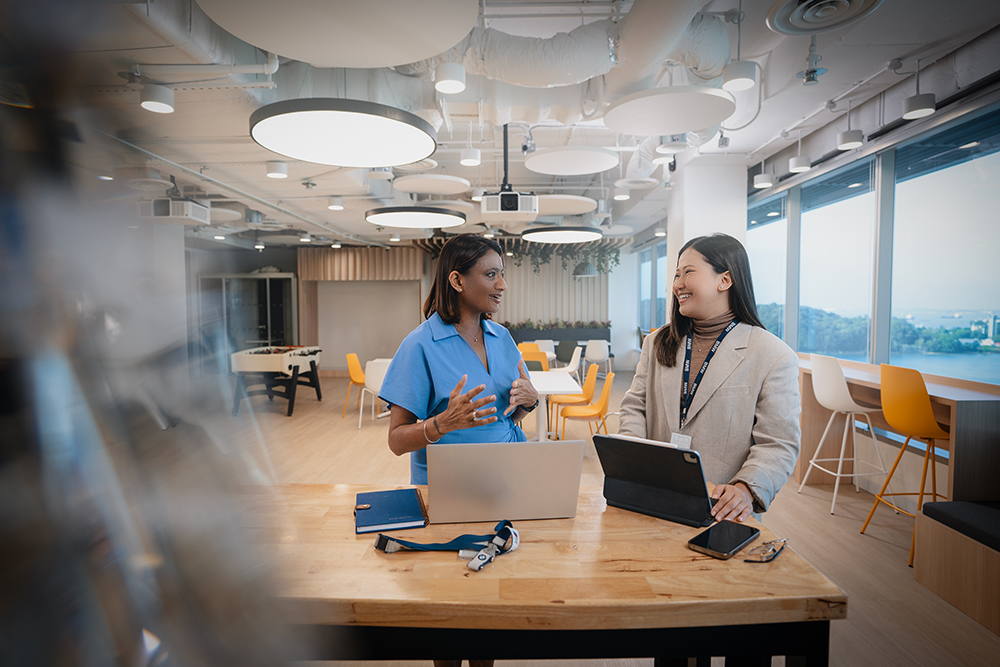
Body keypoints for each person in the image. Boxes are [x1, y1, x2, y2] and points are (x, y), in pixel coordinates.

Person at [619, 233, 800, 523]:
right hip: (651, 497)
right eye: (676, 274)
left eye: (688, 272)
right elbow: (635, 406)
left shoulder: (773, 355)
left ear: (724, 280)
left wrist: (745, 490)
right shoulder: (658, 343)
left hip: (719, 512)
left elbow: (778, 443)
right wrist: (632, 455)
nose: (678, 284)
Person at [380, 233, 540, 486]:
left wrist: (530, 401)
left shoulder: (502, 337)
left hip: (510, 469)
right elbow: (397, 442)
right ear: (457, 280)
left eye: (502, 274)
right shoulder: (420, 344)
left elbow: (504, 417)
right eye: (491, 275)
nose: (502, 285)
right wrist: (442, 423)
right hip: (451, 481)